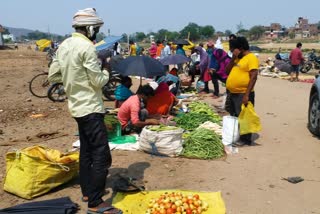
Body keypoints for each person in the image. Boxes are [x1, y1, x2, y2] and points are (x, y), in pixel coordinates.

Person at [48, 8, 122, 214]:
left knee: (86, 150)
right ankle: (96, 203)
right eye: (96, 29)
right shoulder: (87, 48)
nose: (96, 32)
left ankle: (88, 192)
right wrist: (106, 69)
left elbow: (53, 76)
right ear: (90, 28)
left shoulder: (64, 45)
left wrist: (73, 79)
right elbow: (98, 81)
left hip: (76, 107)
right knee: (102, 154)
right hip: (90, 107)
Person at [225, 36, 259, 146]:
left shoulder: (251, 58)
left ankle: (246, 139)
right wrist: (232, 58)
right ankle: (237, 135)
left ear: (240, 48)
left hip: (243, 93)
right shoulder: (238, 58)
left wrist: (246, 95)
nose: (231, 51)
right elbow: (227, 71)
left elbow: (253, 77)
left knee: (244, 116)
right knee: (234, 114)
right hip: (232, 93)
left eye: (233, 49)